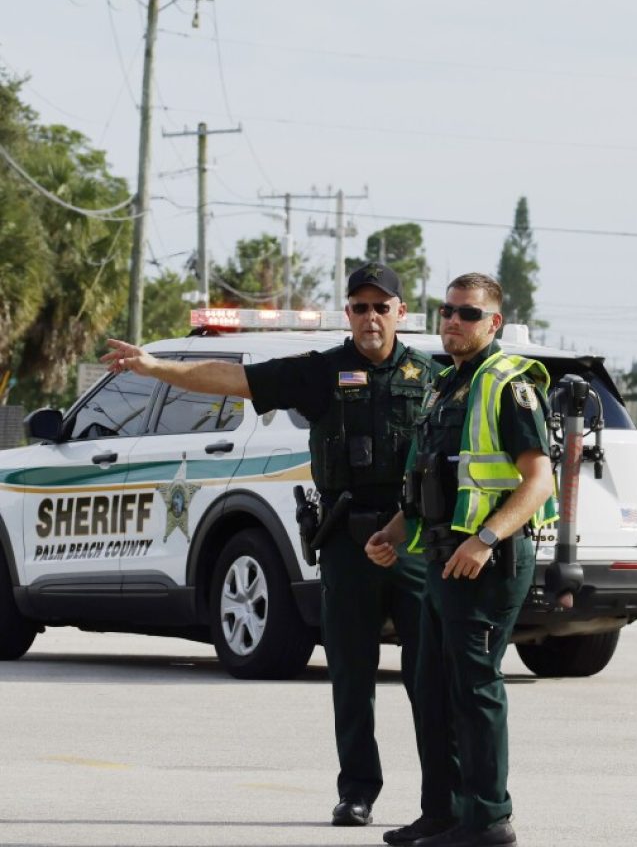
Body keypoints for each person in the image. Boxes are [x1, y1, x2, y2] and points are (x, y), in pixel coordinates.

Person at [102, 263, 449, 832]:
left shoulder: (431, 377)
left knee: (429, 678)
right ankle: (357, 791)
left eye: (380, 307)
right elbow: (236, 379)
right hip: (345, 540)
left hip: (410, 539)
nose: (370, 317)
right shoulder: (322, 372)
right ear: (349, 314)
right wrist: (155, 365)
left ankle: (441, 799)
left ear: (401, 313)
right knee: (351, 676)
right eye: (359, 307)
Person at [367, 273, 556, 847]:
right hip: (442, 558)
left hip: (487, 562)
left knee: (474, 687)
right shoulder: (446, 384)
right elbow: (435, 479)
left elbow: (539, 480)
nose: (453, 321)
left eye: (468, 314)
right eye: (446, 310)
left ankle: (489, 818)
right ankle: (444, 812)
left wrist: (487, 539)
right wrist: (394, 533)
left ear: (492, 323)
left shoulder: (507, 383)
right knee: (430, 686)